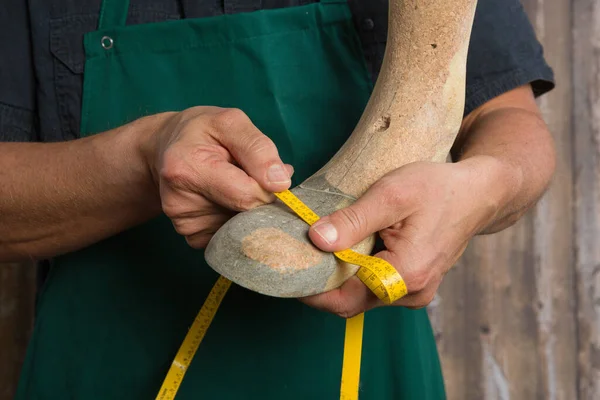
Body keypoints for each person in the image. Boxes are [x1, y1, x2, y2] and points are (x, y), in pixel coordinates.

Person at [0, 0, 555, 399]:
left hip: (364, 371)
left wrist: (487, 186)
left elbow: (506, 119)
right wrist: (142, 162)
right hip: (108, 369)